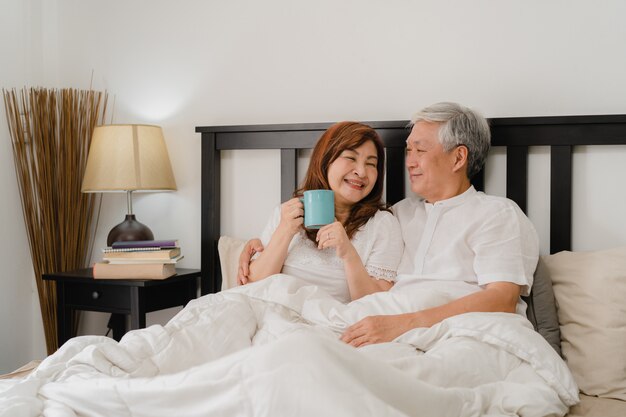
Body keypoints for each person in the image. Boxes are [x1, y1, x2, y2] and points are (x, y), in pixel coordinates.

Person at [238, 102, 539, 346]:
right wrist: (258, 245)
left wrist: (404, 323)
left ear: (458, 157)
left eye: (420, 150)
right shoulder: (401, 214)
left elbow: (502, 299)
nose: (409, 161)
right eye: (408, 151)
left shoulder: (497, 214)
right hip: (378, 326)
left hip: (445, 332)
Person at [243, 121, 404, 303]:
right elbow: (251, 287)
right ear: (325, 161)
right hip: (267, 313)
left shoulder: (382, 224)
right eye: (351, 158)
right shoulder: (287, 213)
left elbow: (378, 305)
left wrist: (348, 254)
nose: (361, 171)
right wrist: (285, 230)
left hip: (325, 324)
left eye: (371, 164)